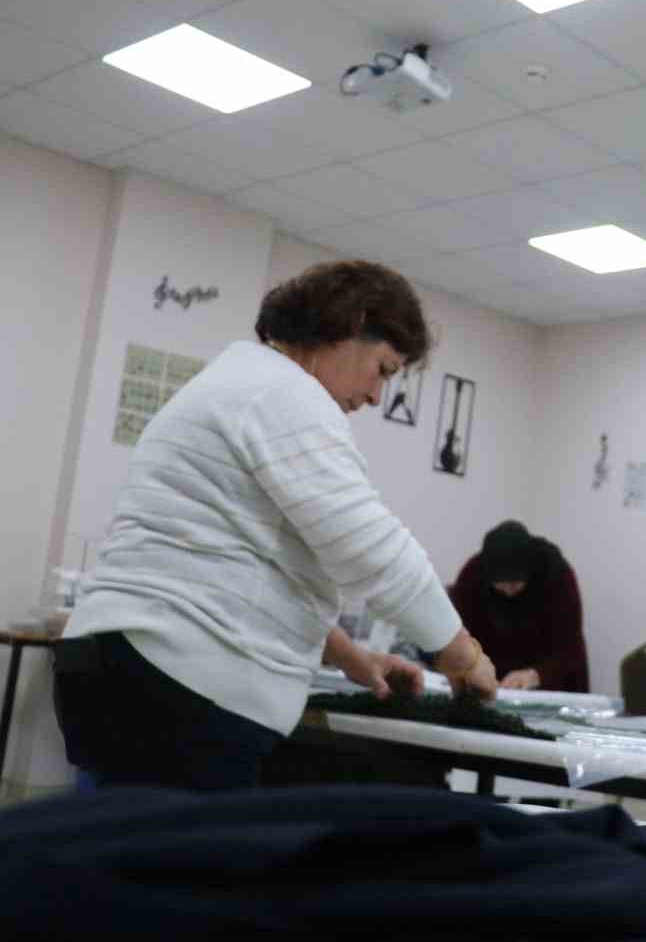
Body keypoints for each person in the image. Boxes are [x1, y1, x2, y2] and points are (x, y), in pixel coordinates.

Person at [55, 261, 499, 792]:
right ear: (353, 323)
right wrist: (460, 653)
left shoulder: (241, 382)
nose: (377, 397)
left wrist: (346, 654)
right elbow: (369, 547)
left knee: (114, 854)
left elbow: (247, 551)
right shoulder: (284, 394)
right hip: (181, 683)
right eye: (382, 369)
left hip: (129, 662)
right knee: (169, 866)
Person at [448, 521, 589, 693]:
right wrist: (471, 668)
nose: (508, 592)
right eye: (500, 585)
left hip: (552, 678)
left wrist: (536, 675)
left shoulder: (557, 574)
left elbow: (569, 646)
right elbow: (460, 636)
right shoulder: (471, 576)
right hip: (492, 681)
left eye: (515, 584)